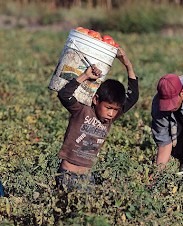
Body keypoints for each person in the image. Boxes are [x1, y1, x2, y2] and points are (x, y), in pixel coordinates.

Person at [56, 47, 139, 188]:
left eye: (115, 110)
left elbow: (132, 97)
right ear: (96, 100)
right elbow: (64, 95)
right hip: (68, 175)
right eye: (108, 108)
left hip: (88, 177)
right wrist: (85, 76)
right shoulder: (81, 111)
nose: (111, 114)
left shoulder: (110, 118)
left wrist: (128, 66)